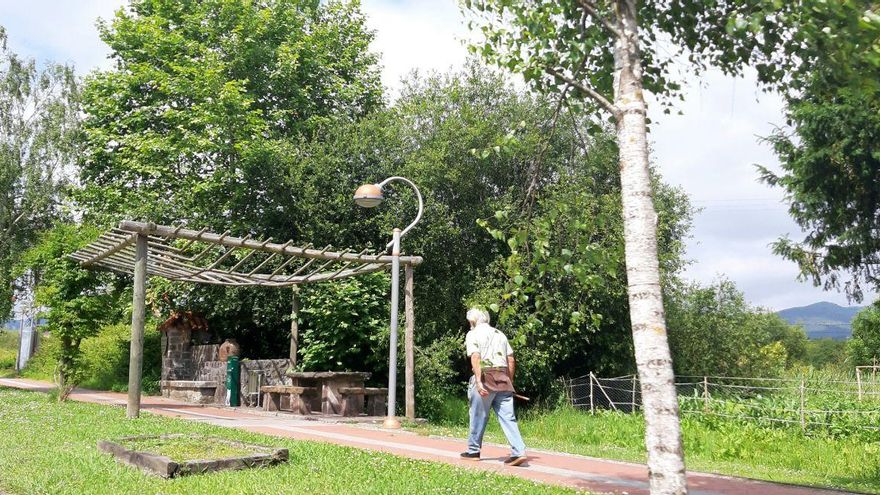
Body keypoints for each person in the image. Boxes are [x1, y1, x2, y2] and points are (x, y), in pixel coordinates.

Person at [460, 307, 527, 466]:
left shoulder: (473, 334)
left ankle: (473, 450)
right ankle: (519, 451)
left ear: (473, 321)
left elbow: (475, 357)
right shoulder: (500, 334)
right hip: (503, 377)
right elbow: (510, 359)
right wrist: (508, 380)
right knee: (508, 418)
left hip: (485, 377)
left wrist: (478, 381)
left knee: (478, 415)